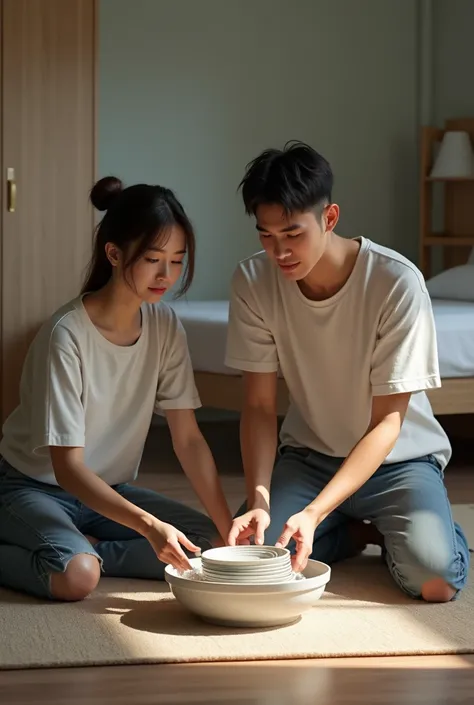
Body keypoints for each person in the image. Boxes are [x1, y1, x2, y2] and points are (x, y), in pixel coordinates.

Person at [225, 141, 470, 602]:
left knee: (435, 582)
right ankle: (357, 532)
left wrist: (315, 512)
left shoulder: (396, 282)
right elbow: (258, 406)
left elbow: (388, 422)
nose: (280, 252)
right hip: (309, 457)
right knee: (261, 562)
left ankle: (427, 529)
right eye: (266, 235)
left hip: (400, 462)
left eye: (293, 234)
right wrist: (258, 497)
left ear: (330, 218)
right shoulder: (252, 282)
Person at [0, 176, 233, 602]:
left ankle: (88, 547)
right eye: (153, 259)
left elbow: (189, 439)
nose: (167, 275)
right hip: (31, 486)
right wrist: (147, 526)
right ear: (113, 253)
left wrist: (228, 530)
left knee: (210, 547)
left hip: (109, 492)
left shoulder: (165, 327)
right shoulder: (66, 335)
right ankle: (73, 553)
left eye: (177, 261)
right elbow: (67, 468)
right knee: (77, 577)